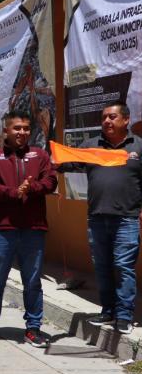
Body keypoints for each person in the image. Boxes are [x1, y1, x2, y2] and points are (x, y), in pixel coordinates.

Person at [0, 111, 57, 348]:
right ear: (6, 130)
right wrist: (13, 193)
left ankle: (33, 329)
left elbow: (51, 181)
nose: (22, 132)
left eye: (26, 128)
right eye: (17, 128)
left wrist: (32, 188)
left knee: (33, 281)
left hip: (33, 228)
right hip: (3, 229)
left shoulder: (40, 155)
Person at [58, 102, 142, 334]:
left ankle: (124, 317)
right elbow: (69, 162)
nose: (106, 121)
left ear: (126, 119)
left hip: (126, 219)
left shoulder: (138, 146)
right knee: (102, 267)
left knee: (123, 267)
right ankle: (107, 312)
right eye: (104, 117)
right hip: (96, 219)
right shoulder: (91, 146)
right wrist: (51, 159)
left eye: (112, 117)